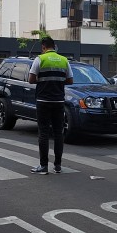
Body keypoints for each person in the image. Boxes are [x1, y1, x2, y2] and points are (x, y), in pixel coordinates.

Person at [27, 37, 73, 175]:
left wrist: (43, 80)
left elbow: (31, 80)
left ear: (43, 47)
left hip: (43, 101)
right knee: (59, 133)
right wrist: (57, 82)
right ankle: (58, 166)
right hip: (59, 102)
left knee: (44, 133)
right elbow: (70, 80)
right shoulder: (64, 60)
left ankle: (43, 166)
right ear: (54, 46)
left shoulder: (40, 59)